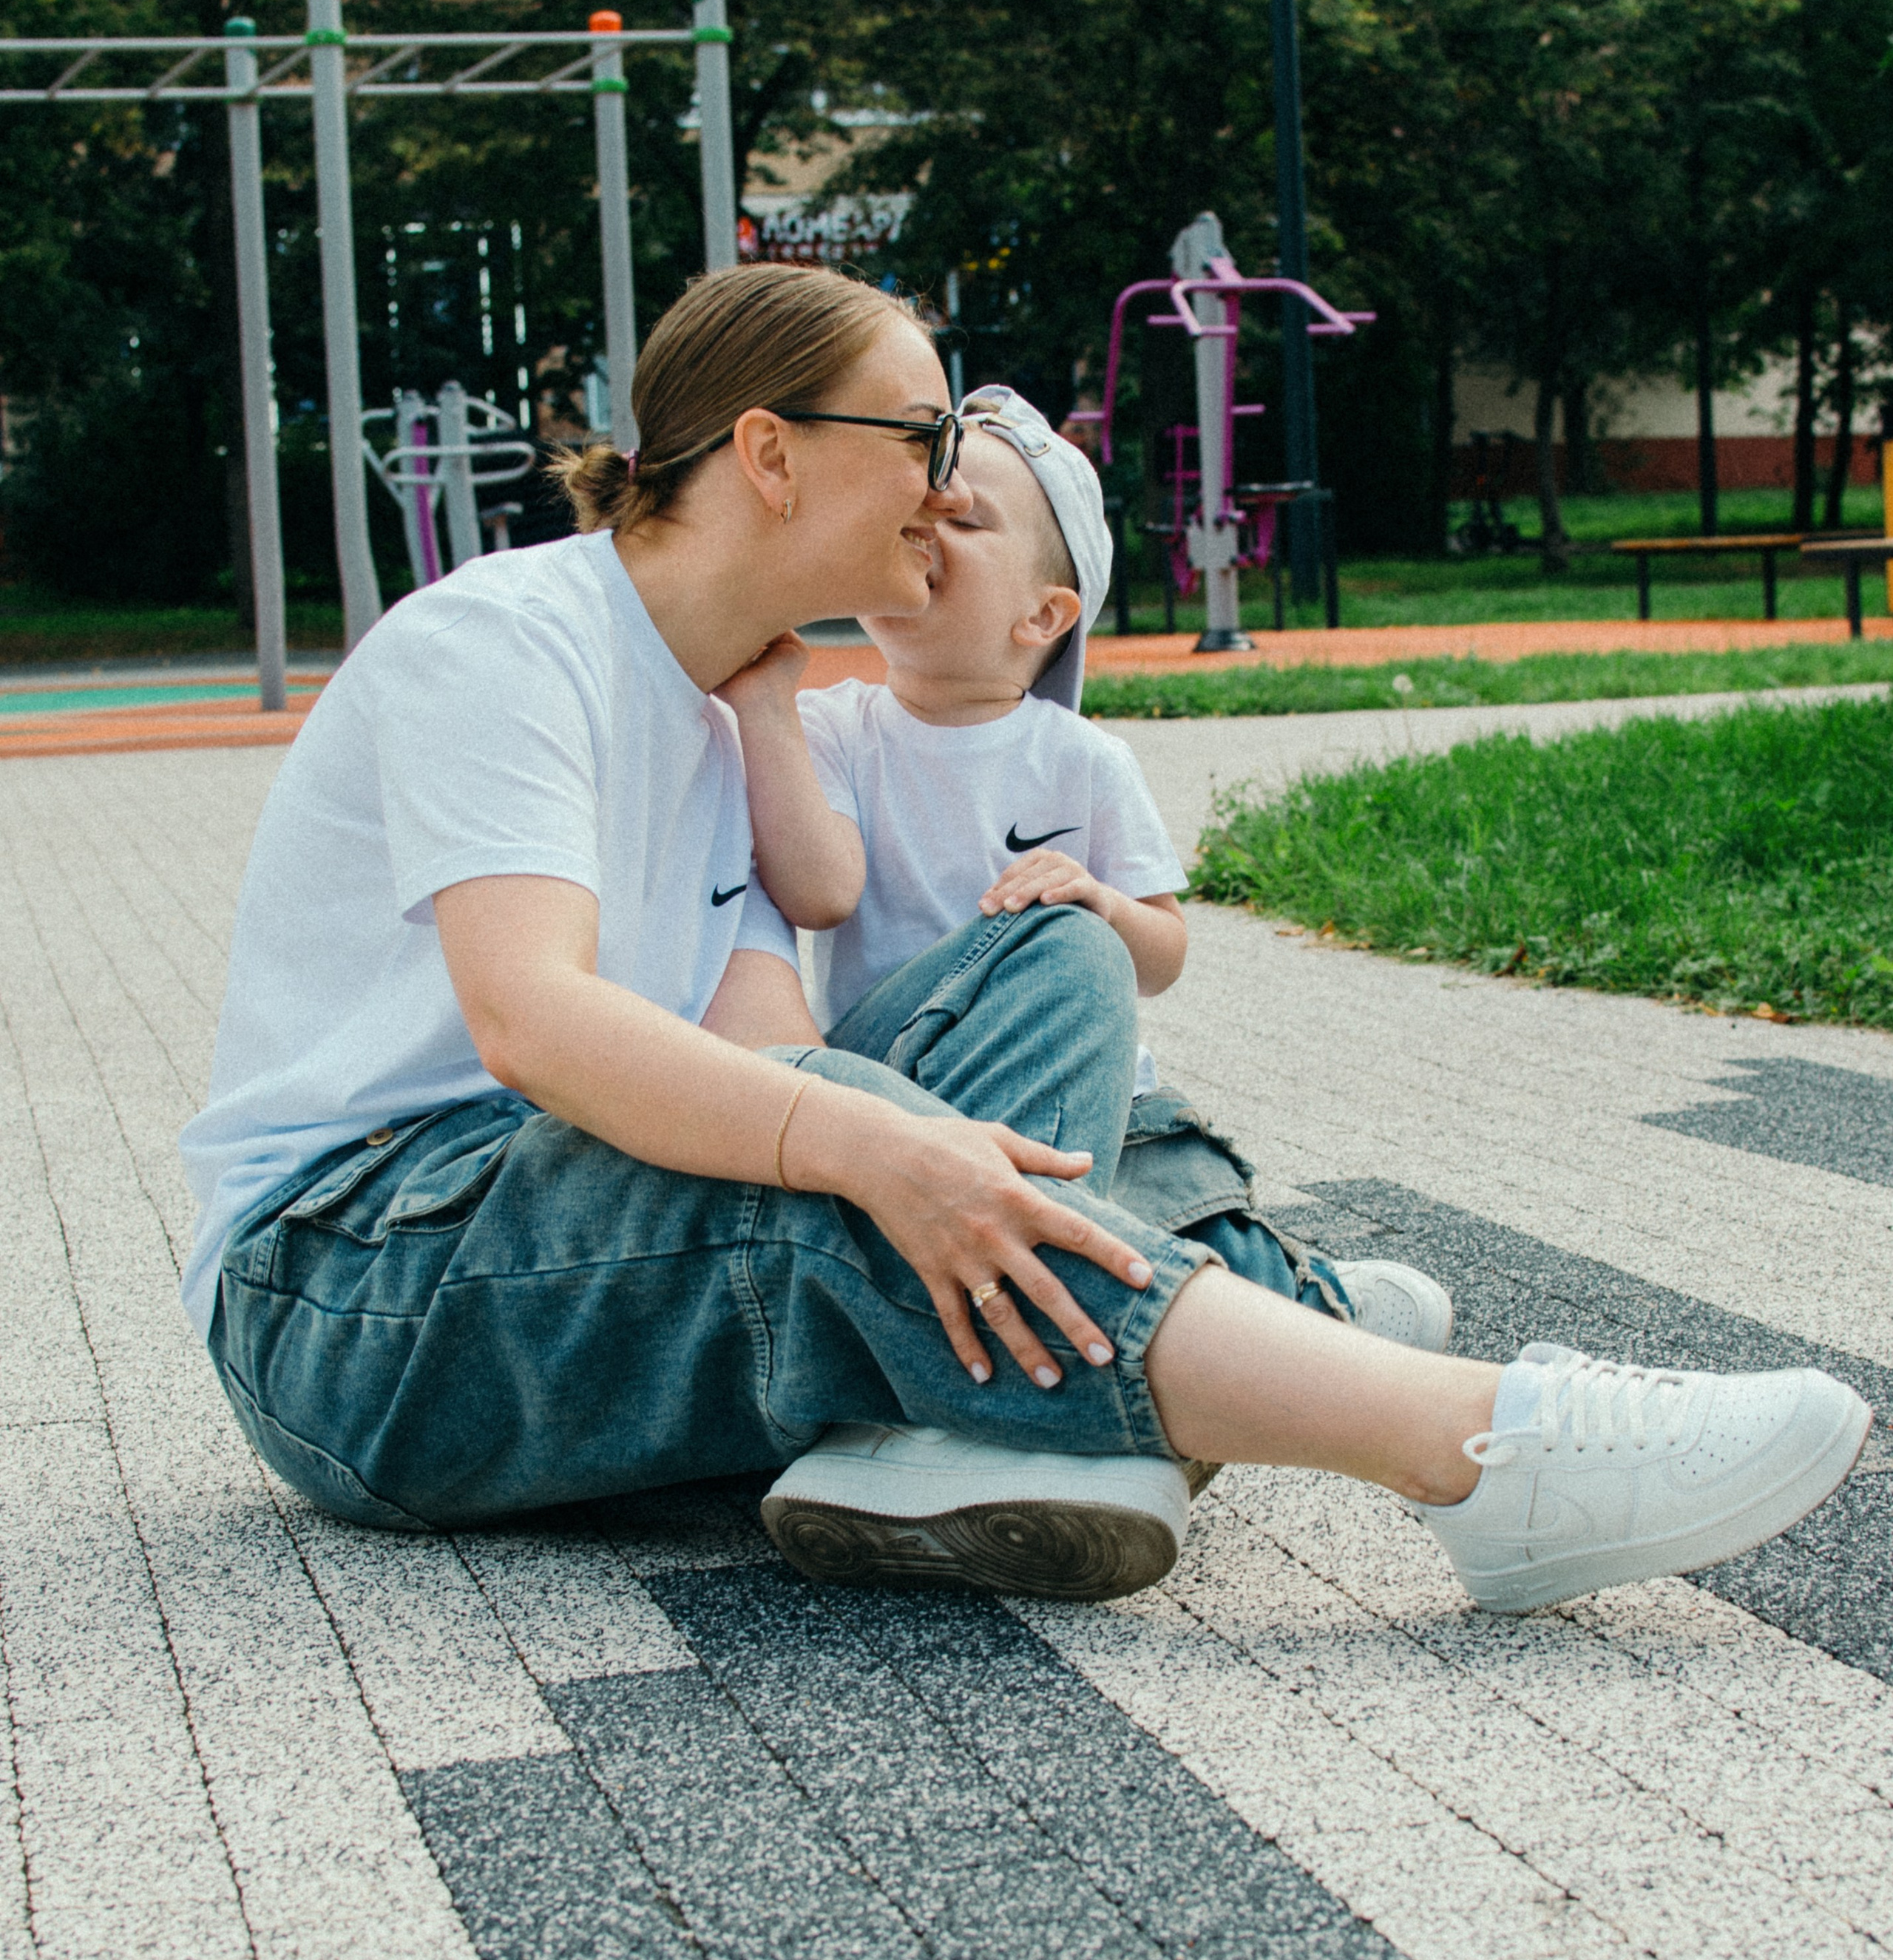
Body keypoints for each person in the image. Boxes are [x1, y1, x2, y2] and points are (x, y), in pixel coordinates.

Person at [178, 265, 1869, 1615]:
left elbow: (770, 1050)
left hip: (551, 1225)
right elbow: (532, 1026)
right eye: (919, 436)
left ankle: (971, 1412)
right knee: (853, 1189)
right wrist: (890, 1158)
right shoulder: (503, 644)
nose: (945, 483)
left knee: (1048, 960)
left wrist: (916, 1149)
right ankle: (1476, 1448)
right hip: (350, 1291)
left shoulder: (727, 722)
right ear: (768, 452)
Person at [719, 381, 1452, 1361]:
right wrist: (766, 711)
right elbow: (822, 891)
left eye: (964, 514)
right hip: (917, 1082)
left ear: (1044, 614)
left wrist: (1100, 904)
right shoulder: (840, 727)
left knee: (1164, 1223)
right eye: (916, 503)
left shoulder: (1082, 757)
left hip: (1094, 1090)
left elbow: (1162, 952)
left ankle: (1309, 1306)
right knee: (1098, 1236)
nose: (926, 521)